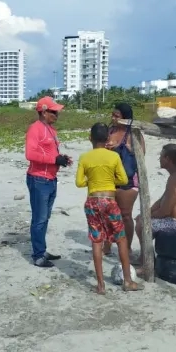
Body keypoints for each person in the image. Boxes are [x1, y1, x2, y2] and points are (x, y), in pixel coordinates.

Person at [76, 123, 142, 293]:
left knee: (96, 241)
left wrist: (92, 181)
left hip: (92, 201)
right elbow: (122, 179)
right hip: (109, 200)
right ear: (107, 139)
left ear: (90, 138)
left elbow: (79, 182)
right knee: (121, 239)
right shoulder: (113, 157)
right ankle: (128, 281)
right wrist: (110, 180)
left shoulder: (84, 158)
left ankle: (100, 285)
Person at [24, 96, 72, 268]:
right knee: (39, 218)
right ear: (43, 112)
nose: (57, 114)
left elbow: (51, 153)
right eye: (53, 111)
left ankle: (42, 250)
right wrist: (54, 159)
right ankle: (38, 255)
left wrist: (62, 159)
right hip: (39, 179)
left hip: (50, 180)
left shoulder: (50, 129)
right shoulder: (35, 129)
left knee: (45, 218)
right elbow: (30, 154)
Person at [134, 143, 176, 267]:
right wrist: (146, 213)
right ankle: (146, 257)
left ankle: (146, 261)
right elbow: (161, 201)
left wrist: (146, 219)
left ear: (168, 159)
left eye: (161, 156)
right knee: (142, 219)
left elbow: (165, 211)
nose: (159, 159)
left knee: (141, 225)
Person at [105, 103, 145, 259]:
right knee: (108, 213)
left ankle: (127, 247)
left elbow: (142, 154)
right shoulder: (110, 131)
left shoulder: (133, 133)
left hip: (128, 181)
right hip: (109, 179)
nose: (113, 118)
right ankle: (107, 245)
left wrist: (128, 148)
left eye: (117, 116)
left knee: (126, 215)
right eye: (112, 115)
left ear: (125, 118)